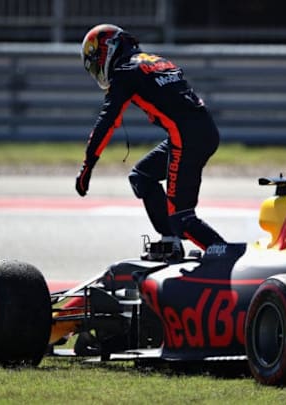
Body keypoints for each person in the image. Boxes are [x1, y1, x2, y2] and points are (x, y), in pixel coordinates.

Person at [75, 23, 226, 257]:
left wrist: (87, 166)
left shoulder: (125, 71)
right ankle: (171, 243)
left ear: (107, 50)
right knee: (143, 176)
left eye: (96, 62)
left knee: (182, 218)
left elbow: (107, 122)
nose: (98, 70)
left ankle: (225, 255)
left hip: (186, 137)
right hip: (203, 131)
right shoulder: (155, 60)